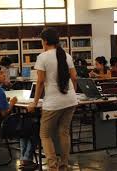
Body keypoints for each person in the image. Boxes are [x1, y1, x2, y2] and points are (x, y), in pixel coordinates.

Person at [27, 28, 78, 171]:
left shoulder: (43, 57)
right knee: (64, 132)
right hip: (70, 100)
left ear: (45, 41)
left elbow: (41, 82)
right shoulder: (66, 55)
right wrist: (72, 92)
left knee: (45, 134)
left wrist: (35, 102)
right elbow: (74, 77)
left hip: (53, 103)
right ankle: (64, 164)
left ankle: (52, 166)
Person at [0, 66, 37, 169]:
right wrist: (12, 103)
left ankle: (25, 158)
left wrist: (4, 101)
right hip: (2, 127)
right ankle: (26, 158)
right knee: (33, 126)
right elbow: (4, 113)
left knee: (25, 125)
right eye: (1, 73)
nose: (4, 75)